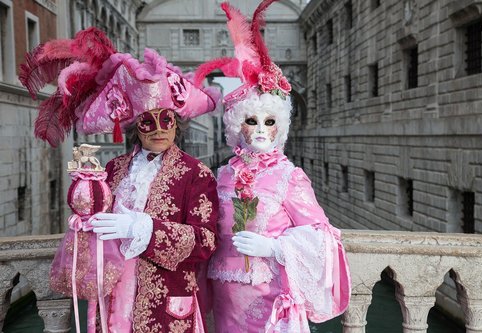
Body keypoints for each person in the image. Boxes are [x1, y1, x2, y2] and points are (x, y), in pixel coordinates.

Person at [20, 27, 220, 333]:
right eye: (147, 121)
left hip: (165, 306)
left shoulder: (196, 174)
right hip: (112, 301)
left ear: (176, 124)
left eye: (166, 119)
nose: (158, 129)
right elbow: (92, 221)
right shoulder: (113, 169)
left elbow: (205, 242)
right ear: (135, 128)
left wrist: (142, 229)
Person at [194, 1, 351, 332]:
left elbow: (323, 235)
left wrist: (277, 247)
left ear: (280, 126)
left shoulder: (289, 176)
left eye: (269, 121)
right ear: (238, 126)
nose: (262, 129)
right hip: (224, 295)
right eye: (252, 121)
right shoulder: (222, 175)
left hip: (269, 295)